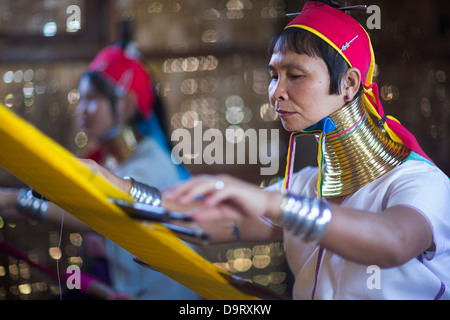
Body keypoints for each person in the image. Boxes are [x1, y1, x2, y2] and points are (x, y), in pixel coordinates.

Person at [85, 1, 450, 300]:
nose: (276, 92)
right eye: (274, 75)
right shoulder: (307, 185)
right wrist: (110, 185)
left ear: (349, 83)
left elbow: (392, 242)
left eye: (295, 76)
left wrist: (272, 204)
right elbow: (208, 219)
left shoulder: (419, 183)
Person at [0, 43, 199, 300]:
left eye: (92, 98)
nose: (81, 109)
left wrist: (14, 201)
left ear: (126, 105)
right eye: (81, 98)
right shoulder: (112, 164)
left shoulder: (150, 164)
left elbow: (101, 215)